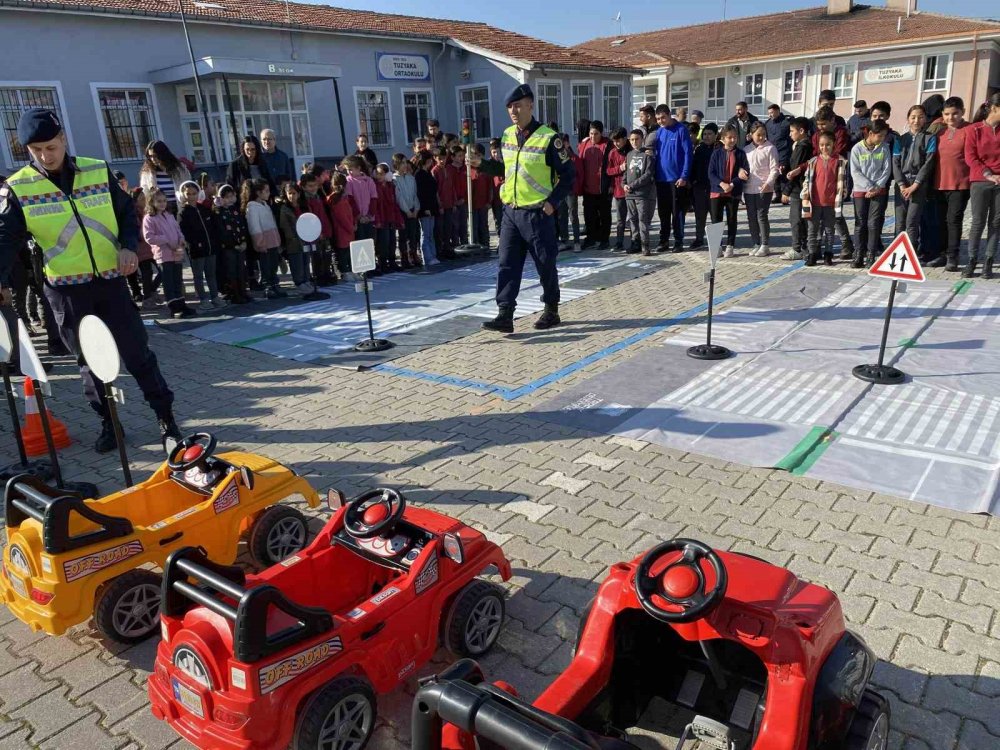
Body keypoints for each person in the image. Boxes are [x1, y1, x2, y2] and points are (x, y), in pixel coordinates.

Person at [0, 110, 181, 451]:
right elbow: (4, 239)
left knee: (137, 354)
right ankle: (110, 425)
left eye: (50, 146)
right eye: (35, 149)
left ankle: (166, 420)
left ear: (63, 139)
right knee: (90, 364)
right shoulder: (18, 187)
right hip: (67, 292)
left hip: (111, 283)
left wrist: (129, 247)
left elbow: (127, 212)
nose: (44, 155)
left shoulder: (97, 171)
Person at [471, 84, 574, 333]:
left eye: (518, 105)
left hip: (537, 213)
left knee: (544, 263)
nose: (513, 111)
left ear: (530, 105)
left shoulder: (550, 138)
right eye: (509, 107)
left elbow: (569, 174)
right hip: (511, 212)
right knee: (506, 263)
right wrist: (482, 165)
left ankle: (551, 310)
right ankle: (505, 315)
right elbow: (506, 169)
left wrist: (552, 203)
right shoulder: (507, 135)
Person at [892, 104, 936, 258]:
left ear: (925, 119)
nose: (916, 120)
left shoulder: (930, 138)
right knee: (900, 221)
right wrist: (902, 184)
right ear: (908, 119)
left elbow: (928, 163)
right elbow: (895, 163)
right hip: (902, 184)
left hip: (918, 185)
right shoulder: (900, 139)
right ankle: (897, 252)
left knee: (912, 221)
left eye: (920, 117)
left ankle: (910, 254)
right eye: (913, 117)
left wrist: (915, 185)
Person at [963, 93, 1000, 279]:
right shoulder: (973, 130)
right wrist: (988, 174)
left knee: (996, 223)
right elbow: (971, 157)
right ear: (994, 108)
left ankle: (988, 262)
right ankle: (971, 260)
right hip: (980, 181)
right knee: (978, 222)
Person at [144, 188, 196, 319]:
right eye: (159, 201)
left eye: (164, 201)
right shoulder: (149, 218)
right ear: (152, 202)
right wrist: (166, 241)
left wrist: (181, 239)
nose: (162, 204)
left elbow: (178, 230)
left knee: (178, 280)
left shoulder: (169, 215)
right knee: (169, 282)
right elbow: (149, 237)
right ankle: (174, 307)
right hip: (164, 254)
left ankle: (181, 304)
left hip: (177, 252)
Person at [812, 107, 857, 260]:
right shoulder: (817, 135)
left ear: (832, 120)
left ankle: (846, 244)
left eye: (823, 124)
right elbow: (815, 154)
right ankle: (817, 247)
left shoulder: (841, 133)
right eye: (818, 124)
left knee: (836, 216)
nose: (820, 128)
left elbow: (837, 151)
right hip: (820, 181)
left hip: (837, 179)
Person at [934, 97, 971, 271]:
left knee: (953, 220)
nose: (951, 117)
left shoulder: (970, 130)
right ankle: (941, 254)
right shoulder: (938, 132)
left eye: (955, 113)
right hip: (939, 184)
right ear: (942, 114)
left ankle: (953, 257)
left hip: (960, 184)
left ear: (962, 112)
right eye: (947, 114)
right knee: (940, 221)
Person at [849, 120, 892, 269]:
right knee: (860, 223)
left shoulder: (884, 148)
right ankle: (858, 254)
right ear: (871, 134)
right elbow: (855, 172)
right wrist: (868, 187)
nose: (882, 139)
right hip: (860, 190)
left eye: (884, 136)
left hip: (878, 190)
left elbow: (887, 170)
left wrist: (877, 187)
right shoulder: (857, 149)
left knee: (873, 223)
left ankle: (871, 255)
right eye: (879, 136)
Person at [802, 131, 847, 266]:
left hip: (831, 203)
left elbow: (843, 181)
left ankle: (828, 254)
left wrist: (842, 195)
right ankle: (812, 254)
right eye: (821, 145)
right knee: (812, 230)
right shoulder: (813, 161)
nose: (824, 148)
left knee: (829, 230)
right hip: (814, 202)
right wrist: (805, 195)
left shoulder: (840, 161)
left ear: (833, 144)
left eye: (828, 145)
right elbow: (807, 180)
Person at [178, 180, 224, 310]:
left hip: (210, 248)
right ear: (183, 195)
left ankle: (215, 296)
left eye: (194, 193)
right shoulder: (183, 212)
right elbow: (184, 232)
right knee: (198, 275)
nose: (192, 196)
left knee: (211, 274)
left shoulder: (204, 209)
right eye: (189, 194)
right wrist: (193, 244)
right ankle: (203, 299)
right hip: (196, 250)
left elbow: (213, 226)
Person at [653, 104, 693, 252]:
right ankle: (663, 241)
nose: (661, 121)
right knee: (663, 213)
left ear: (670, 115)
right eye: (658, 119)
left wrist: (684, 176)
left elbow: (688, 154)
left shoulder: (681, 130)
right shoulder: (659, 132)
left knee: (677, 213)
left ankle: (678, 241)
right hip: (661, 180)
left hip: (677, 180)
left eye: (663, 117)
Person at [708, 125, 750, 258]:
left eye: (735, 137)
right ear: (722, 138)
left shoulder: (740, 153)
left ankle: (730, 245)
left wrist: (731, 184)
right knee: (716, 219)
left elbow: (745, 173)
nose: (732, 140)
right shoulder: (716, 153)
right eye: (729, 137)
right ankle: (717, 245)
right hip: (717, 191)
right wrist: (721, 184)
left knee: (732, 218)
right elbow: (711, 173)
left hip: (733, 191)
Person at [242, 178, 286, 298]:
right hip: (264, 243)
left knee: (273, 266)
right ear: (258, 192)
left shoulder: (265, 204)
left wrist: (277, 240)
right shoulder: (252, 207)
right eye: (266, 191)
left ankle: (275, 285)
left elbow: (272, 223)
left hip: (272, 241)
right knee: (265, 267)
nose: (268, 193)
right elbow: (254, 227)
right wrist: (259, 243)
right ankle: (268, 287)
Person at [743, 122, 780, 257]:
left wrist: (769, 182)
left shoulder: (770, 148)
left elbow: (774, 168)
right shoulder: (746, 150)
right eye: (758, 135)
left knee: (761, 216)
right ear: (751, 135)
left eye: (763, 134)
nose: (761, 137)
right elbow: (742, 167)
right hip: (749, 188)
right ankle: (756, 243)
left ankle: (765, 244)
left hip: (764, 188)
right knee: (751, 217)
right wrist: (741, 172)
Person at [781, 117, 813, 261]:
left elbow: (796, 170)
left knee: (796, 220)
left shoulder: (802, 146)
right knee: (800, 219)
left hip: (798, 188)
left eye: (792, 131)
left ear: (801, 131)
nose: (790, 134)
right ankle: (803, 247)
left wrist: (786, 191)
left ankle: (798, 248)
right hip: (799, 187)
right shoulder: (799, 144)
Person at [579, 120, 612, 249]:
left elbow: (612, 164)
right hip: (588, 187)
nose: (593, 137)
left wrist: (611, 185)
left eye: (596, 134)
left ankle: (604, 239)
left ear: (601, 133)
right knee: (589, 215)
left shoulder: (607, 145)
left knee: (604, 215)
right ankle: (591, 238)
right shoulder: (585, 144)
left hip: (603, 188)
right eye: (591, 133)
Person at [215, 184, 251, 303]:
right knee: (231, 271)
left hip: (241, 244)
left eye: (231, 196)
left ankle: (243, 292)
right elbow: (221, 232)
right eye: (226, 197)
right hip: (229, 247)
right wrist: (232, 244)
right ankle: (235, 294)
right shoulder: (219, 213)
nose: (229, 199)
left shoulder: (236, 210)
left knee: (241, 269)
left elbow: (243, 226)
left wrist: (244, 241)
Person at [624, 129, 656, 256]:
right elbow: (626, 173)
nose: (634, 142)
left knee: (643, 219)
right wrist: (624, 184)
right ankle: (635, 243)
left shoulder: (647, 156)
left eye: (637, 139)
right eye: (632, 139)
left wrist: (632, 186)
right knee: (632, 220)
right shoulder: (629, 155)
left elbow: (647, 175)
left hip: (642, 194)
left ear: (642, 139)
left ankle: (645, 245)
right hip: (629, 194)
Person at [300, 171, 336, 285]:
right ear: (303, 187)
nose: (313, 188)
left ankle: (326, 274)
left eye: (315, 185)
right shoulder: (305, 200)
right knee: (317, 256)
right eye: (310, 186)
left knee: (326, 254)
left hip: (324, 229)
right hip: (315, 232)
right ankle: (319, 277)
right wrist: (316, 232)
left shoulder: (318, 196)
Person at [129, 188, 161, 308]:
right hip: (141, 249)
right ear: (135, 201)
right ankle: (147, 298)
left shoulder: (148, 212)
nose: (144, 201)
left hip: (152, 247)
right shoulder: (133, 214)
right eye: (141, 199)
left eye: (145, 198)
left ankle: (151, 290)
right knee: (147, 273)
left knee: (161, 270)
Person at [139, 140, 191, 214]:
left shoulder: (179, 170)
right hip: (159, 212)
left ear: (163, 154)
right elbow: (145, 193)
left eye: (155, 156)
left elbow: (188, 188)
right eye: (150, 156)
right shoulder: (147, 172)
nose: (153, 159)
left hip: (179, 208)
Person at [689, 122, 718, 249]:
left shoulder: (719, 149)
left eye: (710, 134)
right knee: (700, 216)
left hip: (715, 188)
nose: (706, 137)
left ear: (716, 135)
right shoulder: (699, 149)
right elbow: (693, 167)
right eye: (704, 134)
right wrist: (693, 181)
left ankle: (716, 241)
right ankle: (699, 239)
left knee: (715, 216)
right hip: (700, 188)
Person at [327, 172, 359, 279]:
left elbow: (350, 213)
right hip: (342, 230)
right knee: (342, 252)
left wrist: (353, 223)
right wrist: (351, 227)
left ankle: (350, 269)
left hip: (348, 228)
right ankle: (345, 271)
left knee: (349, 251)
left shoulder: (344, 197)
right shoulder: (335, 198)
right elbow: (341, 217)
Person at [605, 127, 631, 252]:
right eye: (614, 141)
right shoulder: (612, 153)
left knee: (634, 218)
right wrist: (619, 168)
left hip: (632, 190)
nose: (616, 143)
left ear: (625, 139)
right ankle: (619, 242)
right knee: (620, 219)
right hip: (619, 191)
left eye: (618, 141)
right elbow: (608, 171)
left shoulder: (632, 151)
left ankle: (635, 241)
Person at [414, 149, 441, 266]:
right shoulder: (419, 175)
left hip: (432, 206)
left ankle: (433, 255)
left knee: (431, 233)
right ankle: (427, 257)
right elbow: (421, 194)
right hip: (425, 209)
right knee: (425, 234)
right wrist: (425, 208)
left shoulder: (428, 173)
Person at [431, 147, 455, 258]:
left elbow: (452, 186)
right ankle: (439, 251)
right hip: (441, 204)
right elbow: (434, 190)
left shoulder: (449, 169)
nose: (442, 160)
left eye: (444, 158)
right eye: (439, 158)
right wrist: (439, 204)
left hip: (450, 203)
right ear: (435, 158)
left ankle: (448, 248)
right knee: (439, 229)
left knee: (448, 227)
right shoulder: (434, 171)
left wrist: (454, 202)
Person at [764, 104, 792, 200]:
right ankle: (778, 195)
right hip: (772, 152)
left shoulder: (786, 123)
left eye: (771, 113)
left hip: (784, 152)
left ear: (778, 111)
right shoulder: (767, 123)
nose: (770, 115)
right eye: (769, 113)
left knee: (783, 173)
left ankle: (785, 195)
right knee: (775, 173)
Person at [470, 144, 494, 249]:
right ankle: (476, 246)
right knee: (473, 226)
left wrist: (489, 201)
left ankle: (485, 245)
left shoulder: (486, 169)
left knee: (483, 225)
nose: (476, 157)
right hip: (472, 204)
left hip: (483, 203)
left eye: (479, 155)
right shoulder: (468, 169)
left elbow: (490, 187)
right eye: (474, 155)